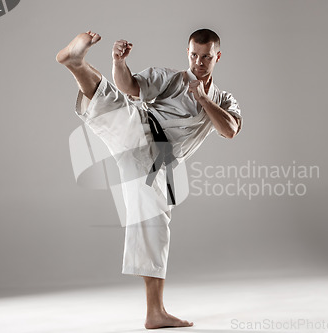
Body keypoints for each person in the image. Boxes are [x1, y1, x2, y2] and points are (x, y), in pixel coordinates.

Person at [56, 28, 243, 329]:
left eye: (206, 57)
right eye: (194, 55)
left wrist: (204, 99)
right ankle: (75, 62)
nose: (198, 62)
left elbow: (230, 129)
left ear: (217, 57)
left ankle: (155, 312)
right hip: (142, 128)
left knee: (153, 222)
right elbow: (129, 86)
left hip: (155, 161)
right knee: (112, 100)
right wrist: (118, 62)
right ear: (188, 53)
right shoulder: (171, 79)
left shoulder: (223, 99)